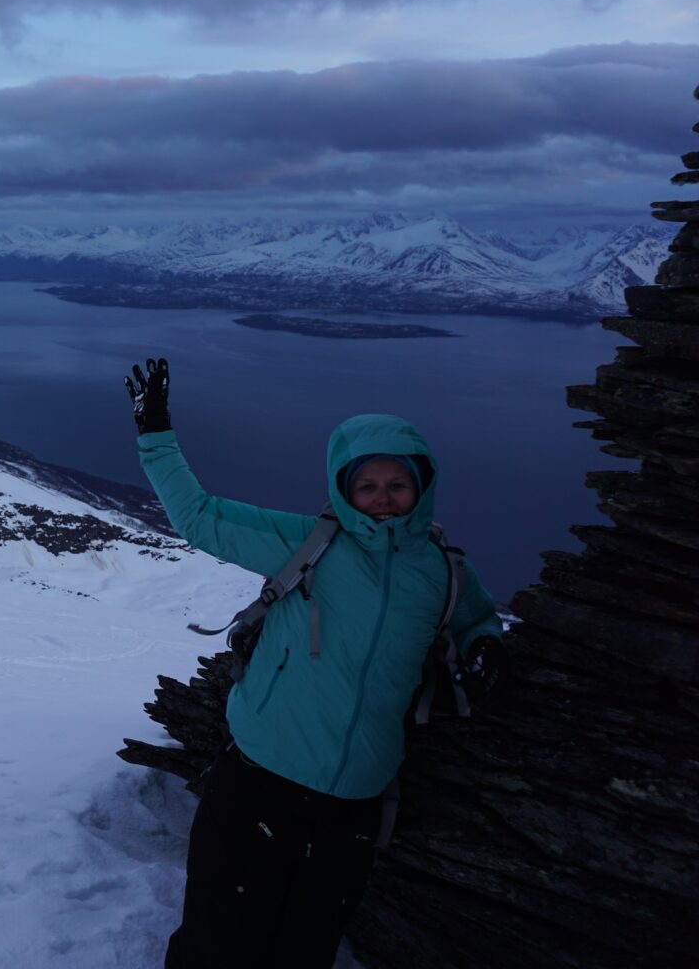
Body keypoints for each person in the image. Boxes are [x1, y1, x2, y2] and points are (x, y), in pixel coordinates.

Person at [124, 357, 507, 969]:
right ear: (343, 487)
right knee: (217, 943)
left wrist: (487, 647)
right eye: (367, 485)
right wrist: (156, 433)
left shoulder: (442, 570)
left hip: (356, 797)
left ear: (421, 487)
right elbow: (198, 518)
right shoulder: (308, 544)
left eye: (397, 485)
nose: (382, 499)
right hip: (258, 779)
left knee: (306, 948)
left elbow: (477, 618)